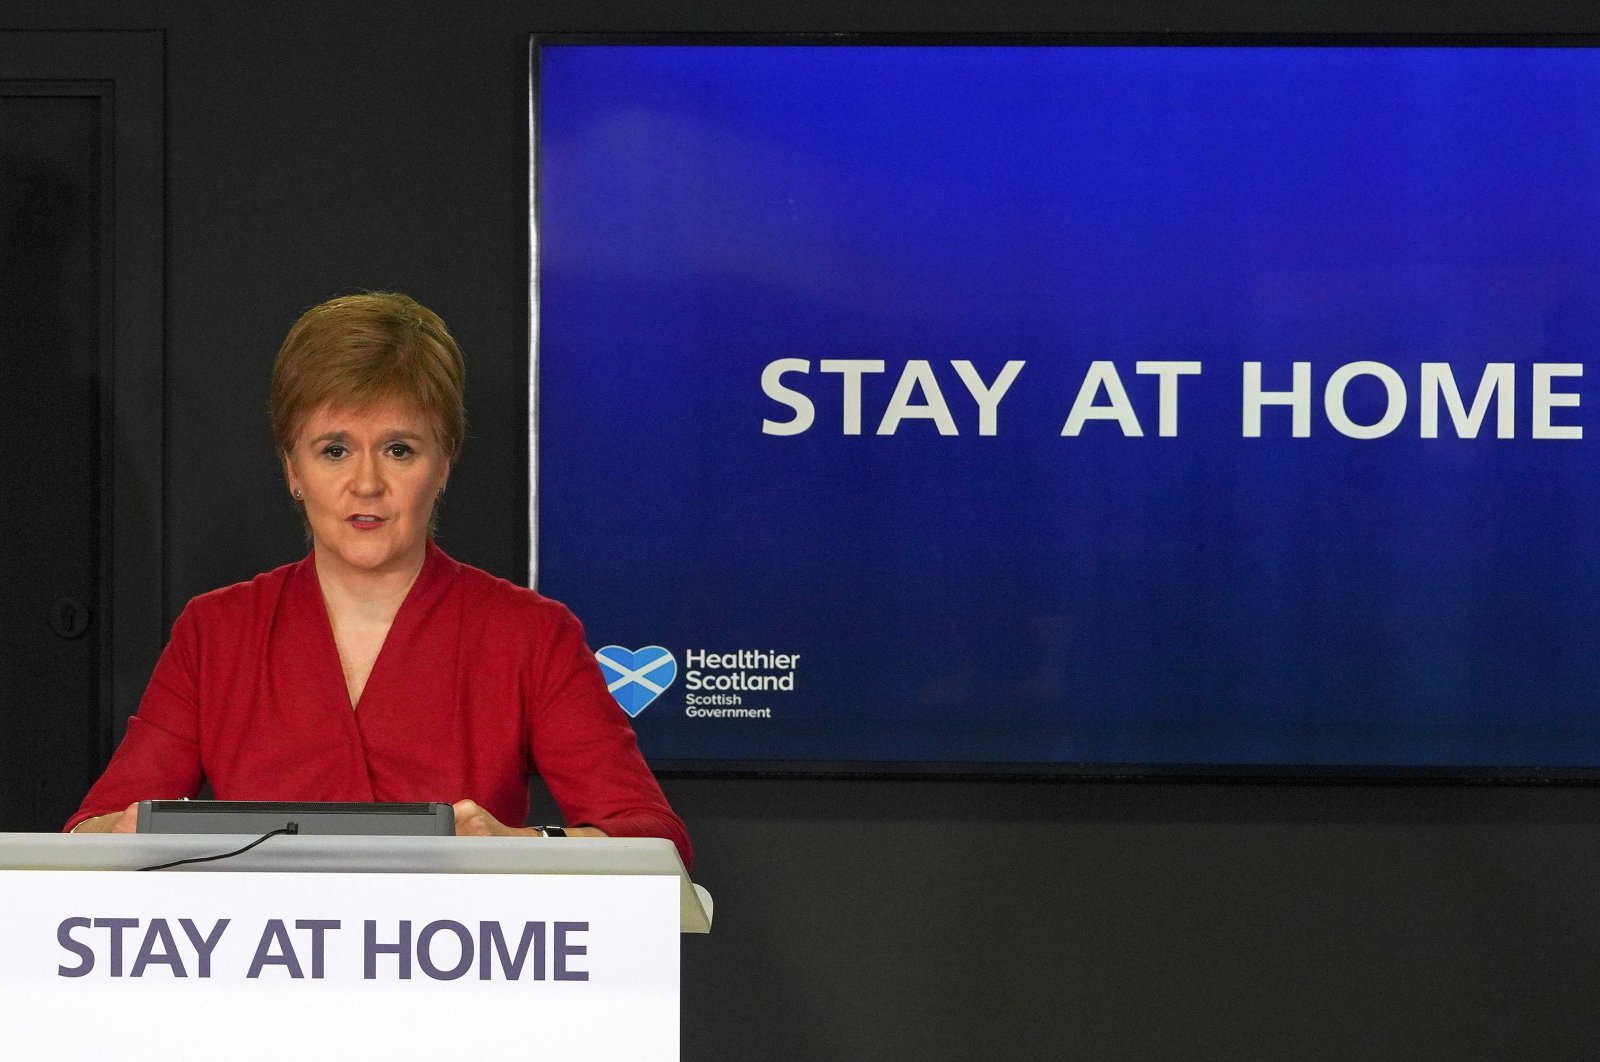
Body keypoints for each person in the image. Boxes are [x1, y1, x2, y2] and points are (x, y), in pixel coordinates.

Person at [66, 292, 690, 866]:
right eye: (334, 449)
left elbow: (656, 843)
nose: (366, 484)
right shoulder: (216, 632)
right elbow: (91, 831)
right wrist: (119, 837)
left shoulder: (531, 634)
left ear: (444, 463)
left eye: (399, 449)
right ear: (292, 468)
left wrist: (521, 846)